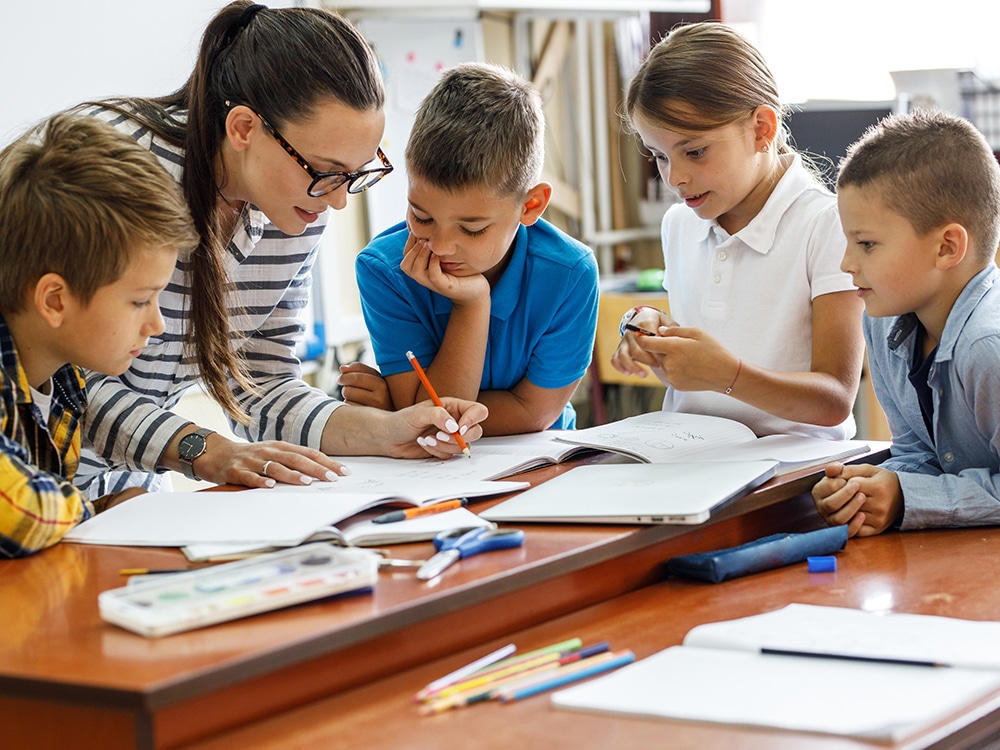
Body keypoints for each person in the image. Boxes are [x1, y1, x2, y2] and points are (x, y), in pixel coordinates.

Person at [71, 1, 487, 499]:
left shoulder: (293, 207)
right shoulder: (118, 166)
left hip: (121, 484)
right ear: (244, 128)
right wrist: (204, 450)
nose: (335, 200)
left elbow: (262, 385)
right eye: (324, 171)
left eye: (353, 175)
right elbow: (61, 378)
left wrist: (387, 432)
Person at [611, 22, 863, 440]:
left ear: (761, 128)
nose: (676, 179)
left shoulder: (826, 224)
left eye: (694, 151)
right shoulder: (678, 223)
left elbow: (835, 400)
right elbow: (705, 359)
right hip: (690, 456)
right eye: (659, 156)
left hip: (791, 472)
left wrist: (729, 374)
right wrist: (655, 332)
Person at [350, 62, 599, 434]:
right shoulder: (385, 270)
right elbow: (433, 423)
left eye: (472, 229)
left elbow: (534, 414)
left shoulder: (569, 274)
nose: (441, 245)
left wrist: (400, 409)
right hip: (433, 474)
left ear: (530, 206)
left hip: (544, 464)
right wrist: (473, 305)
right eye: (421, 216)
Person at [0, 113, 199, 557]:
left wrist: (107, 508)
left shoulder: (65, 380)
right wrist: (99, 513)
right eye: (138, 301)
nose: (157, 324)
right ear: (54, 301)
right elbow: (16, 512)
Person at [812, 109, 1000, 537]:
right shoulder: (883, 324)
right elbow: (918, 452)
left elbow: (925, 489)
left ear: (946, 247)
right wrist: (868, 490)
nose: (846, 264)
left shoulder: (988, 347)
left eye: (866, 244)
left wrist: (911, 498)